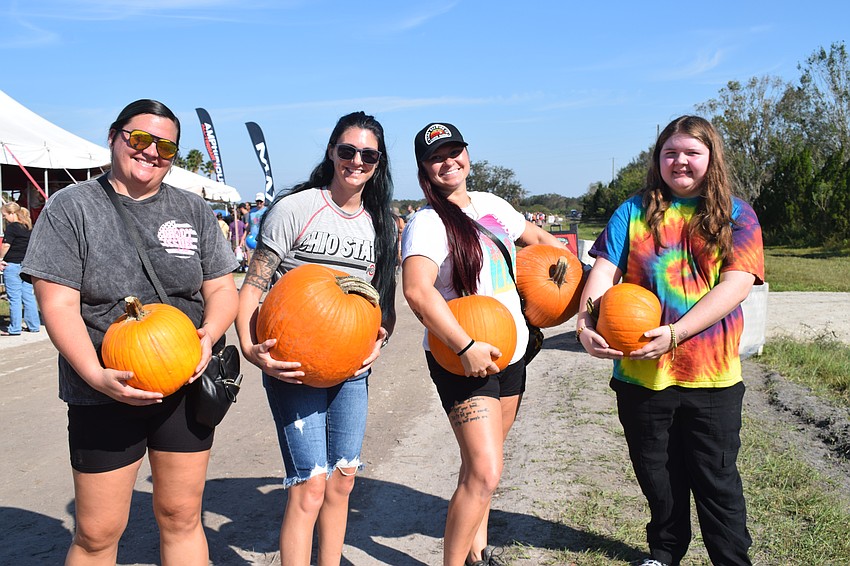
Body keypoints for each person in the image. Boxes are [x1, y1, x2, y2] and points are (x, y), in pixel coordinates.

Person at [22, 99, 239, 565]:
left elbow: (222, 288)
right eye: (139, 139)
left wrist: (208, 334)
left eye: (166, 146)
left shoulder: (193, 209)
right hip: (102, 388)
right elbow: (57, 303)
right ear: (115, 137)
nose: (151, 152)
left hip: (184, 385)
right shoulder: (72, 207)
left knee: (181, 515)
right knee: (99, 532)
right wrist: (94, 374)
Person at [575, 116, 764, 566]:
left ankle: (731, 560)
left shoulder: (737, 214)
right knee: (658, 479)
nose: (680, 161)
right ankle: (664, 553)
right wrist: (585, 325)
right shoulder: (632, 212)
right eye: (670, 153)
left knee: (717, 482)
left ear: (711, 159)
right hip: (641, 374)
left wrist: (678, 332)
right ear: (657, 159)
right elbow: (604, 272)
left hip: (712, 377)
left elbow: (736, 283)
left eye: (692, 153)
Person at [235, 111, 397, 566]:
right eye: (347, 151)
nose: (356, 161)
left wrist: (378, 342)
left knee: (343, 479)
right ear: (331, 151)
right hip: (294, 366)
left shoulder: (382, 225)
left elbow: (382, 306)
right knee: (309, 483)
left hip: (351, 370)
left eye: (368, 154)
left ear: (378, 163)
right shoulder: (296, 209)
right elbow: (253, 287)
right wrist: (251, 349)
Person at [401, 122, 566, 566]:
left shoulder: (494, 206)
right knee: (486, 470)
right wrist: (463, 344)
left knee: (482, 470)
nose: (448, 161)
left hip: (511, 352)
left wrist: (567, 278)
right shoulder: (426, 223)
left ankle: (478, 553)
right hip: (462, 358)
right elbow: (417, 291)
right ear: (424, 169)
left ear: (468, 155)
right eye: (436, 156)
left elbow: (542, 244)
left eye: (454, 151)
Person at [1, 202, 41, 336]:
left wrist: (0, 259)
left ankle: (15, 328)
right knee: (28, 297)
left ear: (12, 214)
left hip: (12, 265)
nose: (4, 218)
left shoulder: (12, 228)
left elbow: (6, 245)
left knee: (14, 298)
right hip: (25, 265)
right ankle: (34, 325)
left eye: (4, 215)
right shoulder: (27, 227)